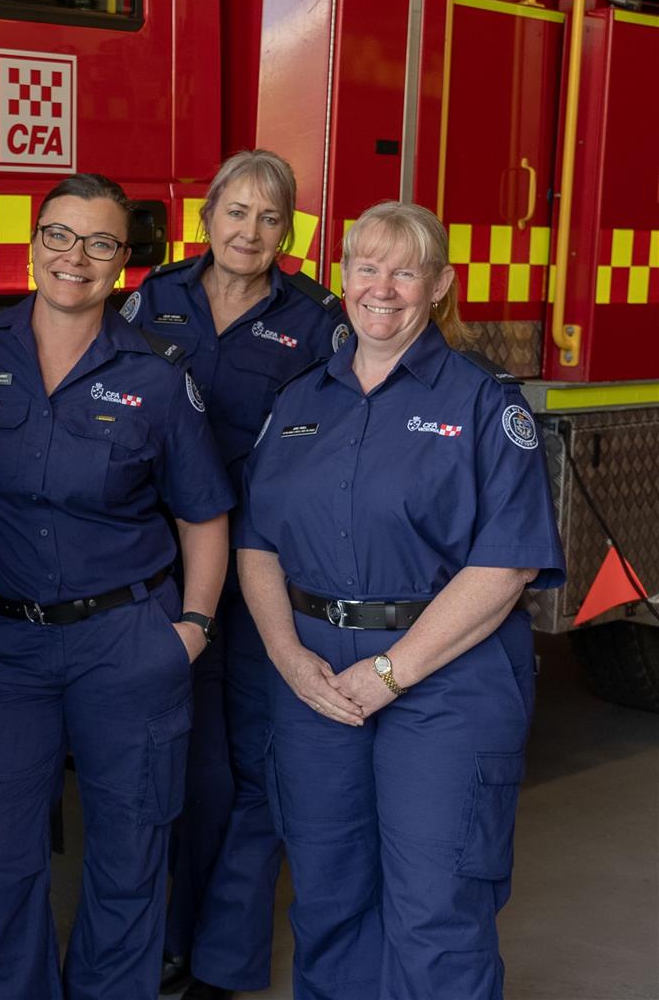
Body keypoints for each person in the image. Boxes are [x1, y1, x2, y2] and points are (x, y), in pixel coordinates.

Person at [0, 173, 234, 1000]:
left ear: (123, 263)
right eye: (60, 236)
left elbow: (204, 516)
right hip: (3, 647)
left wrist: (190, 629)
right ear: (31, 246)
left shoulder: (159, 376)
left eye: (99, 243)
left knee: (129, 854)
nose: (75, 258)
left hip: (125, 641)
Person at [236, 200, 564, 1000]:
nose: (382, 287)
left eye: (406, 270)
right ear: (342, 279)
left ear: (440, 285)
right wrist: (288, 656)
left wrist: (392, 671)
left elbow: (505, 566)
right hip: (314, 676)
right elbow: (256, 541)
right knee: (328, 895)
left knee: (437, 904)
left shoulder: (485, 401)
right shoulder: (301, 398)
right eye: (365, 267)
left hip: (443, 677)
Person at [125, 149, 347, 1000]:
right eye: (236, 212)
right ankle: (173, 941)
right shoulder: (156, 298)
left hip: (265, 577)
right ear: (206, 216)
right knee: (185, 764)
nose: (249, 231)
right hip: (167, 570)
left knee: (261, 767)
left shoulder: (318, 319)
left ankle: (224, 956)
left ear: (287, 231)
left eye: (269, 217)